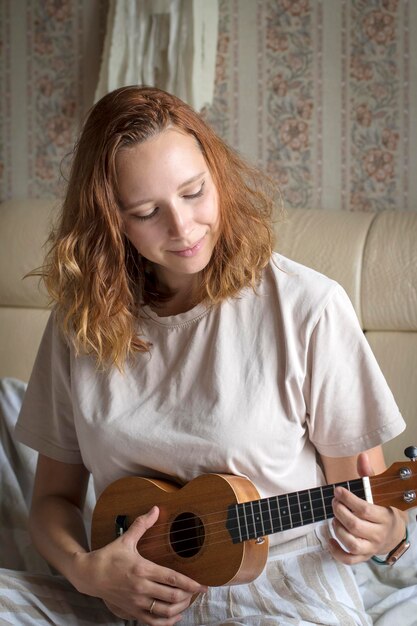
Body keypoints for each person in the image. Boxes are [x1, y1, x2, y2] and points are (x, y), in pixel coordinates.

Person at [11, 85, 407, 626]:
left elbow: (373, 498)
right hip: (121, 595)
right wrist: (87, 572)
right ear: (111, 221)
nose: (182, 229)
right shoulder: (80, 322)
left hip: (280, 593)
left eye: (195, 192)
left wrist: (384, 533)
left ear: (217, 175)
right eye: (148, 211)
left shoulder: (308, 307)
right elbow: (52, 501)